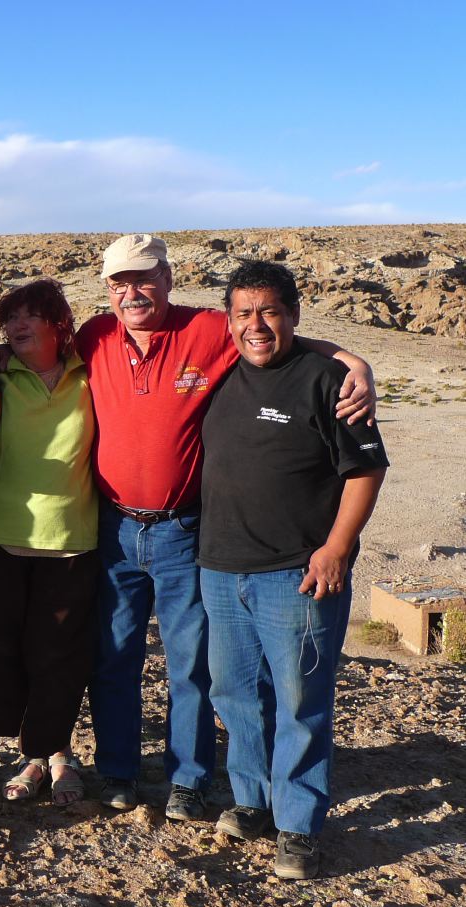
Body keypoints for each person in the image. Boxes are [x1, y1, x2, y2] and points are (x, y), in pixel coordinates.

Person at [80, 234, 375, 821]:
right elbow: (26, 346)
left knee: (192, 662)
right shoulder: (94, 335)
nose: (132, 293)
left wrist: (353, 362)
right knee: (114, 655)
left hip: (184, 530)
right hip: (113, 528)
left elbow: (275, 331)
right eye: (120, 283)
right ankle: (117, 770)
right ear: (108, 289)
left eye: (144, 279)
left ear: (168, 277)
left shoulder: (209, 329)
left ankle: (189, 779)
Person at [200, 260, 386, 879]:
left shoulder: (327, 380)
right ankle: (251, 800)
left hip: (298, 574)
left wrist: (337, 547)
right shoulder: (221, 369)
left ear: (294, 316)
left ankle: (298, 825)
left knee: (300, 700)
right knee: (234, 693)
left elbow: (364, 471)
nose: (257, 326)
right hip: (222, 568)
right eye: (244, 313)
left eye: (270, 312)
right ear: (230, 320)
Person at [0, 278, 98, 805]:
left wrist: (351, 361)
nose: (18, 326)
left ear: (59, 323)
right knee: (6, 651)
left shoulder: (94, 373)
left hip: (72, 539)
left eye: (31, 316)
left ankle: (56, 755)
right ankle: (33, 754)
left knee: (59, 655)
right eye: (10, 319)